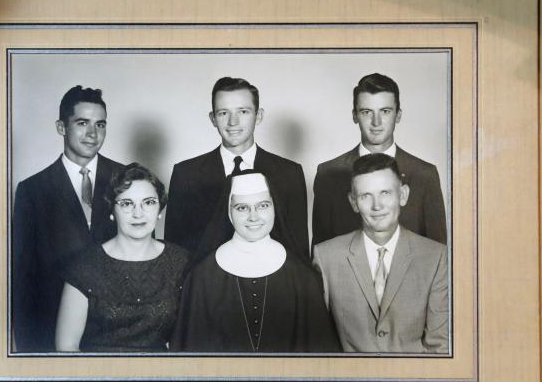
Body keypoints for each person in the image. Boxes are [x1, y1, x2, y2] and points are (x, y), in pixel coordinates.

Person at [172, 170, 340, 353]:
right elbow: (190, 353)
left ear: (274, 208)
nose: (254, 217)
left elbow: (320, 353)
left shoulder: (301, 276)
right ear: (229, 212)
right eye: (242, 208)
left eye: (263, 206)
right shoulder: (202, 277)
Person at [11, 86, 124, 353]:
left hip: (118, 331)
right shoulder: (32, 190)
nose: (93, 134)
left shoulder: (127, 179)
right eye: (82, 123)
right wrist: (30, 350)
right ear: (61, 127)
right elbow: (23, 277)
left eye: (100, 124)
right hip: (52, 329)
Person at [313, 153, 449, 353]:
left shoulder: (436, 258)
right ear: (353, 202)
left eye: (385, 193)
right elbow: (320, 344)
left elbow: (440, 347)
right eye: (366, 196)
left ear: (402, 195)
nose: (377, 206)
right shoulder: (326, 257)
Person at [165, 76, 309, 258]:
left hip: (271, 283)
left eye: (243, 111)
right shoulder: (186, 174)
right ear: (213, 119)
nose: (233, 122)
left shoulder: (289, 173)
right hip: (207, 283)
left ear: (259, 116)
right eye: (223, 113)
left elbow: (299, 248)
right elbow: (174, 251)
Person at [55, 164, 189, 352]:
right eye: (126, 204)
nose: (138, 213)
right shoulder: (84, 265)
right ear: (112, 211)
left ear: (160, 210)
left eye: (148, 202)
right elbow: (66, 347)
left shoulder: (181, 261)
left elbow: (187, 340)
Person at [312, 72, 446, 246]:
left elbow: (439, 252)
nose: (376, 122)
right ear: (354, 116)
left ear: (398, 115)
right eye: (367, 112)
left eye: (385, 111)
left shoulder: (425, 174)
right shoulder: (327, 174)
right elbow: (320, 250)